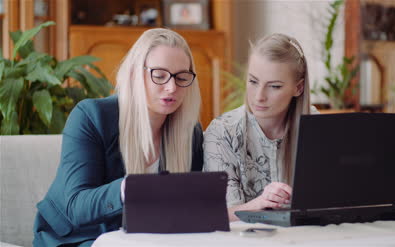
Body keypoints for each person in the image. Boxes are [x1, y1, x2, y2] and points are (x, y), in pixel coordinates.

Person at [33, 28, 203, 246]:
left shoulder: (190, 133)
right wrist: (129, 188)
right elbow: (76, 206)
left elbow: (191, 209)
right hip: (76, 239)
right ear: (134, 73)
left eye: (181, 77)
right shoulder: (91, 116)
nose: (172, 87)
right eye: (159, 76)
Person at [204, 33, 318, 221]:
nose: (259, 96)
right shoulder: (223, 132)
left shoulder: (316, 126)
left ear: (298, 88)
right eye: (253, 81)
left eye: (274, 86)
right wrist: (260, 203)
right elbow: (218, 214)